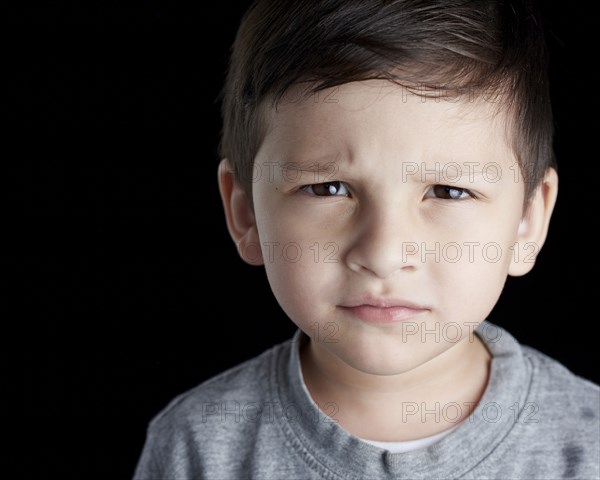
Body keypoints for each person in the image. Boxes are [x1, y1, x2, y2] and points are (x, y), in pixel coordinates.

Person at [133, 1, 599, 478]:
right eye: (328, 188)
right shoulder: (198, 446)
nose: (383, 255)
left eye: (448, 191)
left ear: (528, 220)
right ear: (246, 212)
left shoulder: (587, 446)